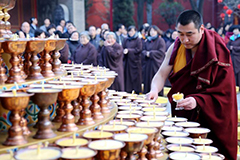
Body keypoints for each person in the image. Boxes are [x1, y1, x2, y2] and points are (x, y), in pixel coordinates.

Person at [147, 10, 237, 160]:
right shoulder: (176, 48)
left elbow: (225, 93)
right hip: (184, 113)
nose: (184, 39)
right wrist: (154, 90)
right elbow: (161, 74)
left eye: (189, 34)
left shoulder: (217, 50)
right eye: (180, 34)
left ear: (201, 29)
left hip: (213, 117)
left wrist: (198, 101)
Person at [142, 25, 166, 94]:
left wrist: (150, 53)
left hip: (156, 64)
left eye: (154, 31)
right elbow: (143, 50)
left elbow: (161, 52)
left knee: (156, 79)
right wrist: (146, 53)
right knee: (147, 81)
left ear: (157, 31)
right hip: (148, 64)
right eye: (151, 31)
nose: (152, 32)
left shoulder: (160, 40)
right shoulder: (147, 41)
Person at [123, 26, 142, 94]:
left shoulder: (138, 39)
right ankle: (128, 90)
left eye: (132, 31)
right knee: (128, 76)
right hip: (128, 61)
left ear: (135, 32)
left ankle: (137, 91)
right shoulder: (126, 39)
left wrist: (129, 51)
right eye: (129, 31)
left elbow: (139, 49)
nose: (131, 33)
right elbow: (123, 47)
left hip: (135, 61)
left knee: (136, 77)